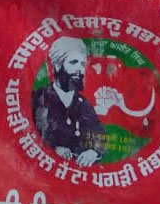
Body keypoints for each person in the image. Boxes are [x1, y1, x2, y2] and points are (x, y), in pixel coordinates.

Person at [32, 36, 105, 166]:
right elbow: (30, 135)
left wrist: (93, 151)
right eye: (73, 62)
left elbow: (99, 134)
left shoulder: (84, 103)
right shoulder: (39, 98)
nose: (79, 70)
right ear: (57, 65)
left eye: (82, 64)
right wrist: (54, 149)